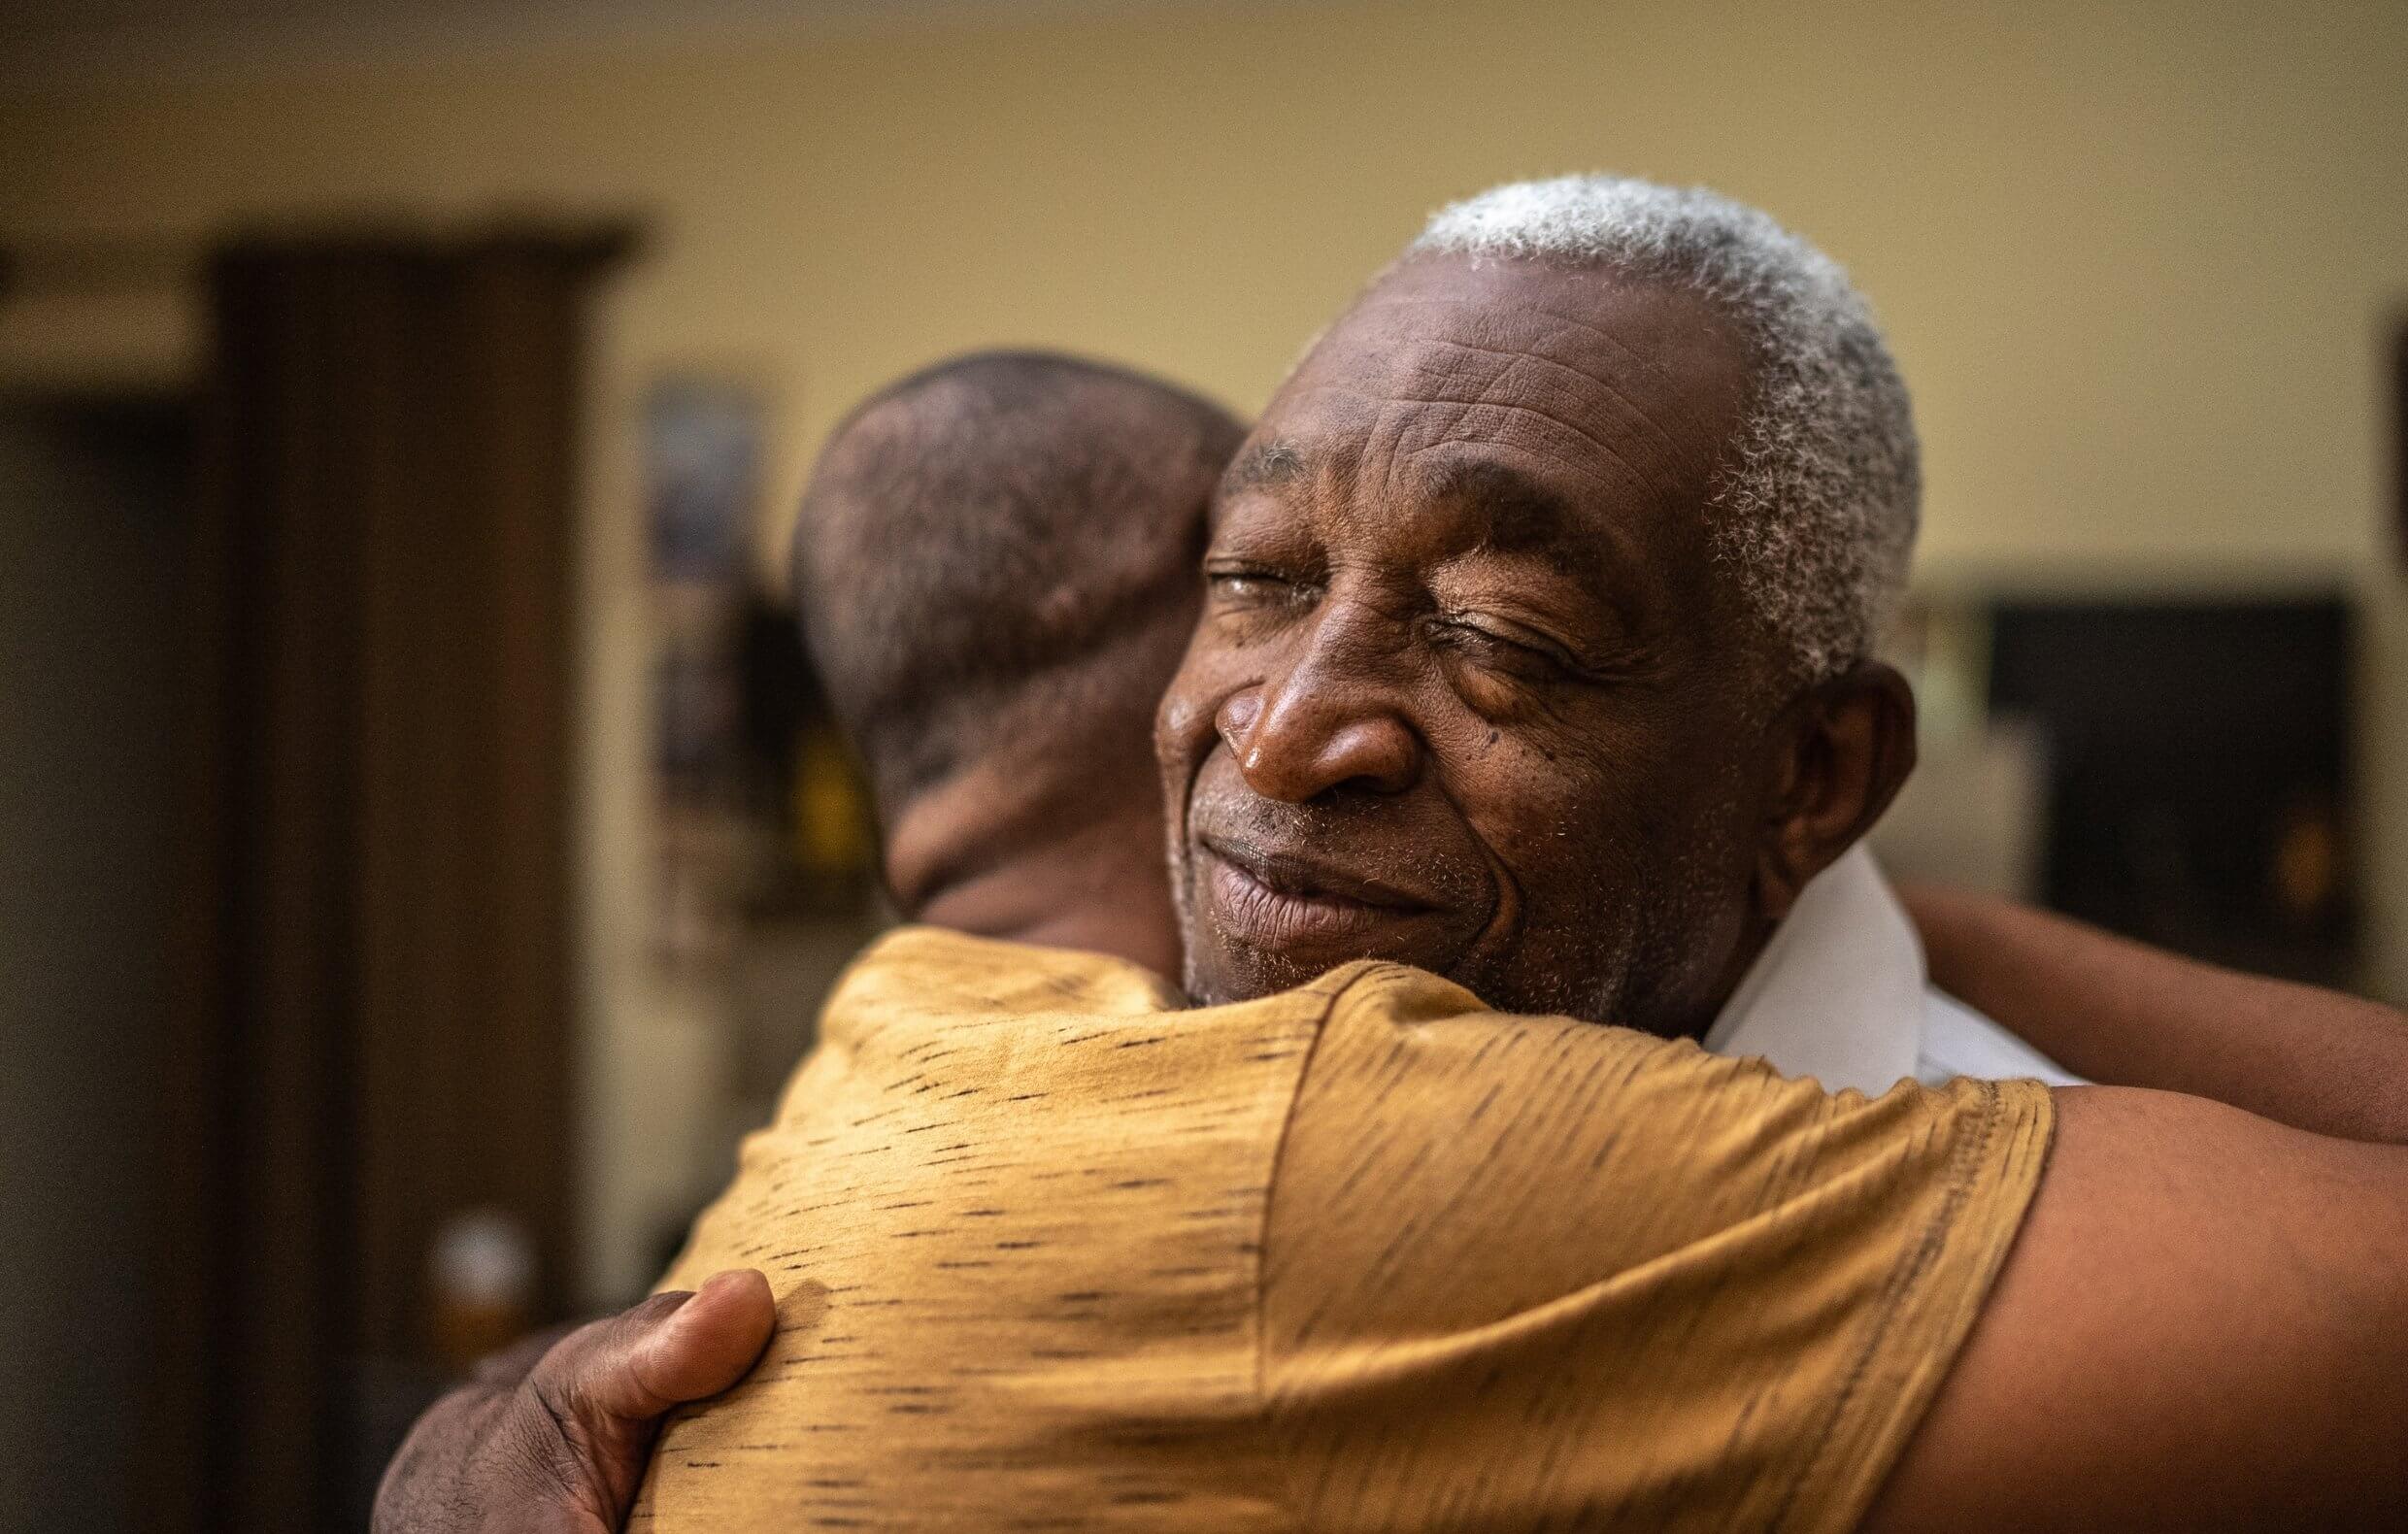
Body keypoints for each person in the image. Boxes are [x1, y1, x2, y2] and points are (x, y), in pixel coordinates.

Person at [387, 183, 2408, 1531]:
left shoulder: (2092, 1279)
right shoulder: (1129, 1092)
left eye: (1504, 637)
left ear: (1815, 775)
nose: (1281, 728)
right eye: (1254, 578)